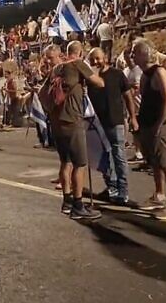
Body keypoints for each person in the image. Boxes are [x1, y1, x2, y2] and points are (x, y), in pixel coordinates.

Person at [43, 42, 105, 220]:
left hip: (57, 122)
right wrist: (94, 71)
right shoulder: (77, 64)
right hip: (73, 121)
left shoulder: (56, 69)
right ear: (80, 52)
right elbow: (99, 83)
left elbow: (43, 92)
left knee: (65, 162)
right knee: (80, 164)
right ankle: (78, 205)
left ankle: (67, 201)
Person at [132, 39, 166, 220]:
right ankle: (159, 195)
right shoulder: (145, 75)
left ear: (144, 54)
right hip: (148, 124)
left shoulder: (159, 72)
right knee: (154, 162)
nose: (131, 56)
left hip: (159, 125)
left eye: (134, 52)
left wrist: (159, 124)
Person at [88, 48, 136, 205]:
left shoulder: (117, 74)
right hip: (97, 125)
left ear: (105, 58)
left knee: (119, 157)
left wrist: (133, 118)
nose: (96, 62)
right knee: (103, 158)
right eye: (92, 60)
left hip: (115, 123)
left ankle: (123, 192)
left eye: (98, 58)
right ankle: (111, 188)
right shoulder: (90, 79)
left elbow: (128, 96)